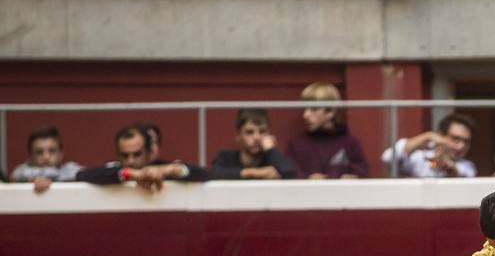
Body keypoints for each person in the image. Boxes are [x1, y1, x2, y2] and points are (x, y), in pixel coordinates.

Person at [76, 124, 210, 191]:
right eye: (125, 155)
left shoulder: (162, 167)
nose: (130, 160)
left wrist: (169, 170)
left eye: (137, 154)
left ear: (149, 152)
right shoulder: (114, 170)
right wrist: (132, 174)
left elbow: (204, 173)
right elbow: (82, 175)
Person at [287, 82, 370, 179]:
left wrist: (352, 178)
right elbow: (290, 175)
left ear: (330, 112)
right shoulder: (295, 144)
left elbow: (362, 172)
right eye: (304, 109)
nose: (305, 115)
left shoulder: (350, 143)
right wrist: (307, 179)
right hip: (307, 194)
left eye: (314, 109)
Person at [210, 109, 297, 180]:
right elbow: (213, 174)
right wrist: (254, 173)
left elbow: (290, 174)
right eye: (249, 132)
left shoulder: (274, 159)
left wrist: (271, 149)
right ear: (238, 136)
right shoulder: (225, 157)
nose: (257, 137)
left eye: (262, 131)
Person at [382, 113, 476, 179]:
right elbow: (387, 158)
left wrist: (447, 165)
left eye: (466, 141)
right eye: (455, 139)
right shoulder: (421, 157)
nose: (461, 146)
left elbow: (461, 173)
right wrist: (427, 136)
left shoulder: (468, 166)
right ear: (441, 136)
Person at [9, 126, 82, 194]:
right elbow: (16, 174)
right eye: (39, 152)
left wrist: (48, 180)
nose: (46, 157)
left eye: (52, 151)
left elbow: (82, 173)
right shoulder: (21, 171)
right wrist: (34, 179)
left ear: (60, 154)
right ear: (31, 155)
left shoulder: (69, 169)